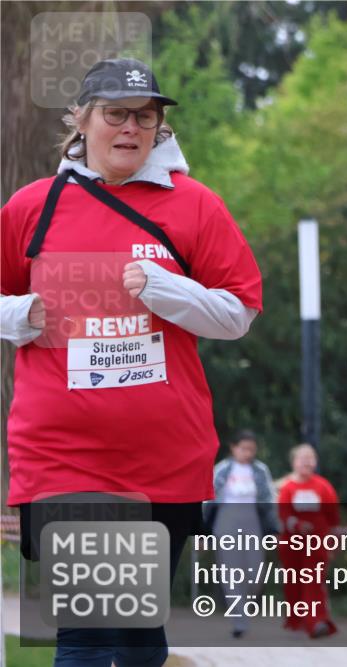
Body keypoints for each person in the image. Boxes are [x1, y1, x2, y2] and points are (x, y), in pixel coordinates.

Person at [0, 57, 262, 667]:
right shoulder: (32, 207)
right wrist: (20, 318)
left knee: (139, 632)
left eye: (144, 117)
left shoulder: (195, 206)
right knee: (89, 631)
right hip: (62, 454)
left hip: (163, 457)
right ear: (81, 121)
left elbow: (239, 313)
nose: (130, 128)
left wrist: (167, 289)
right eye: (115, 114)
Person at [203, 430, 280, 638]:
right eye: (243, 448)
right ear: (234, 448)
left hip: (251, 520)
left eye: (251, 449)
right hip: (226, 521)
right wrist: (202, 530)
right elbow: (207, 499)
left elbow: (269, 500)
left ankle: (245, 604)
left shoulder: (260, 471)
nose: (247, 453)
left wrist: (273, 528)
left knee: (256, 574)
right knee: (231, 572)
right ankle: (240, 621)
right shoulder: (222, 469)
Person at [277, 443, 340, 639]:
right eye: (302, 457)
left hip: (317, 542)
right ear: (294, 462)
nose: (307, 461)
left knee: (313, 580)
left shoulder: (323, 486)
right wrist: (296, 525)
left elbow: (332, 516)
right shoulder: (287, 488)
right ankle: (297, 620)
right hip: (292, 542)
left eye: (311, 457)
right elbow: (283, 513)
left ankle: (317, 621)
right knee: (294, 581)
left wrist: (332, 540)